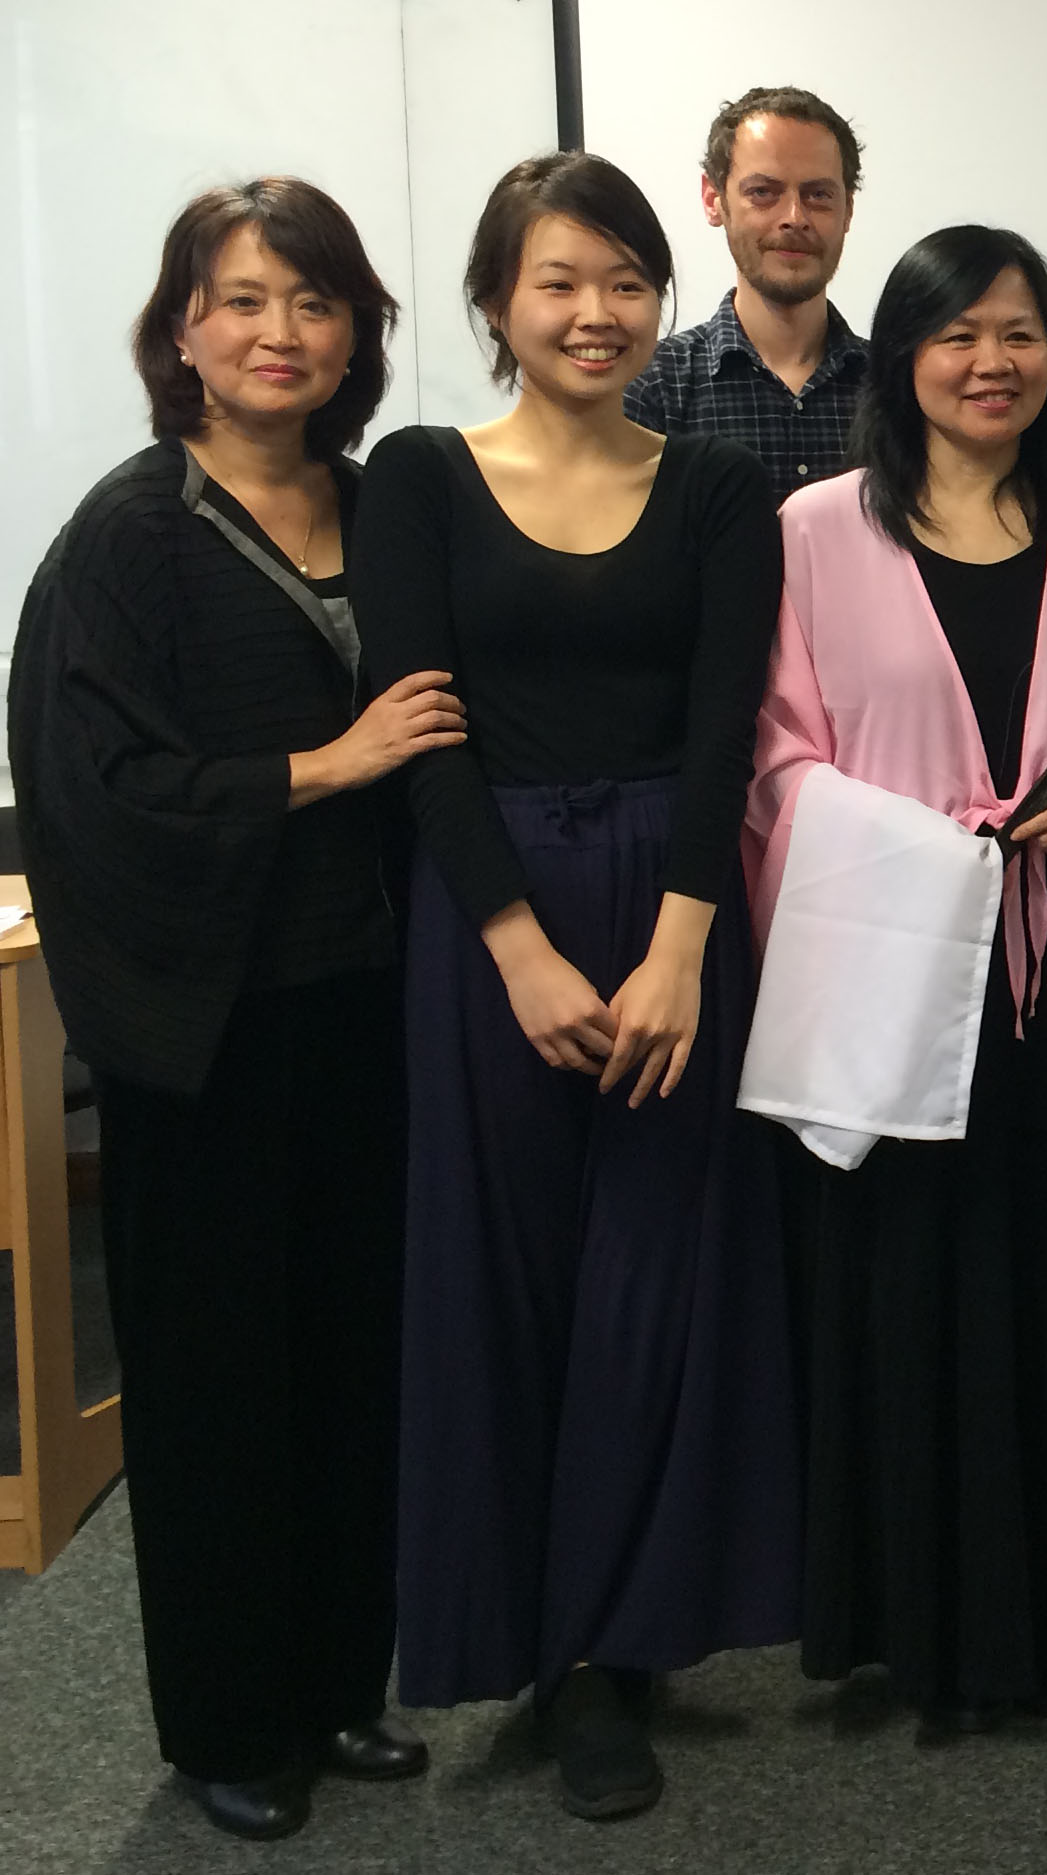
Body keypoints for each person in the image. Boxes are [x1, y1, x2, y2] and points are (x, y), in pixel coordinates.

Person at [354, 151, 796, 1819]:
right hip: (492, 921)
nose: (595, 311)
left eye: (624, 280)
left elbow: (723, 726)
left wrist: (681, 947)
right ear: (496, 302)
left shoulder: (716, 493)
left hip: (677, 911)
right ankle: (527, 1637)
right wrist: (521, 948)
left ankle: (619, 1644)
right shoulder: (417, 479)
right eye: (559, 280)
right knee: (506, 1276)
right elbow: (426, 732)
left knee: (656, 1281)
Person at [9, 178, 449, 1844]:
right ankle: (226, 1722)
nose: (282, 332)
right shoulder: (131, 535)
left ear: (356, 337)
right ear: (180, 330)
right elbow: (95, 790)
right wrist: (322, 766)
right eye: (245, 299)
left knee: (352, 1360)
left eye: (315, 302)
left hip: (371, 1005)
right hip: (208, 1027)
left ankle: (337, 1681)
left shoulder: (381, 507)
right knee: (215, 1384)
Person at [741, 225, 1047, 1733]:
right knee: (905, 1290)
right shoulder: (814, 530)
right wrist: (926, 851)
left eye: (1020, 332)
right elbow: (776, 757)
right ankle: (914, 1624)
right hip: (895, 982)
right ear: (902, 356)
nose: (992, 362)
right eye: (958, 334)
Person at [627, 86, 868, 498]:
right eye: (763, 192)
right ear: (713, 199)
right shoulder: (653, 388)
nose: (794, 217)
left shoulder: (896, 388)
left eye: (819, 195)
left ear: (848, 209)